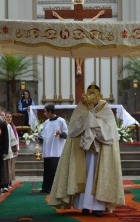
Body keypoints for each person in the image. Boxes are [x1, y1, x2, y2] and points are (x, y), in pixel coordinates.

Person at [48, 83, 125, 214]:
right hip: (82, 150)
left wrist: (93, 122)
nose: (92, 96)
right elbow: (73, 129)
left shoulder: (105, 108)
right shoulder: (81, 107)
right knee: (83, 174)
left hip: (100, 151)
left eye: (95, 93)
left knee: (96, 175)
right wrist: (86, 119)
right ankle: (83, 204)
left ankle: (97, 207)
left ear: (99, 95)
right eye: (90, 93)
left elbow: (110, 131)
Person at [39, 104, 68, 194]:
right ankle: (46, 188)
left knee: (54, 170)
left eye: (45, 111)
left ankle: (54, 188)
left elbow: (67, 134)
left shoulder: (61, 121)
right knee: (47, 170)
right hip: (47, 150)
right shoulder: (46, 122)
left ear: (50, 112)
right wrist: (39, 137)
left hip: (56, 150)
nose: (44, 113)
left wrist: (61, 133)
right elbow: (44, 135)